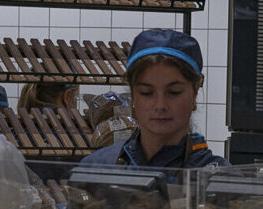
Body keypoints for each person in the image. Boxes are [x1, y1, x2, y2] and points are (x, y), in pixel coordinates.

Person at [81, 30, 227, 169]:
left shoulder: (218, 177)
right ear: (133, 95)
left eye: (174, 92)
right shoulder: (97, 168)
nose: (160, 105)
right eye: (147, 92)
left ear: (194, 93)